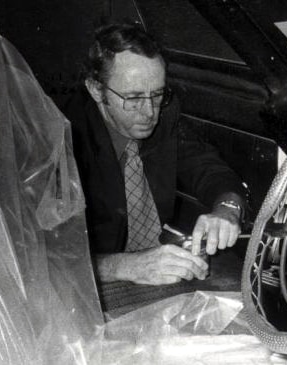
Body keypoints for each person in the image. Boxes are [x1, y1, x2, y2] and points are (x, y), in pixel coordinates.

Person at [63, 23, 247, 286]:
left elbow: (209, 169)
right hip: (89, 288)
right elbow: (44, 257)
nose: (149, 112)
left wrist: (228, 209)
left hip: (159, 273)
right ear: (95, 89)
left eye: (157, 94)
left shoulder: (165, 115)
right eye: (133, 98)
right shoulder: (65, 136)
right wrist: (123, 267)